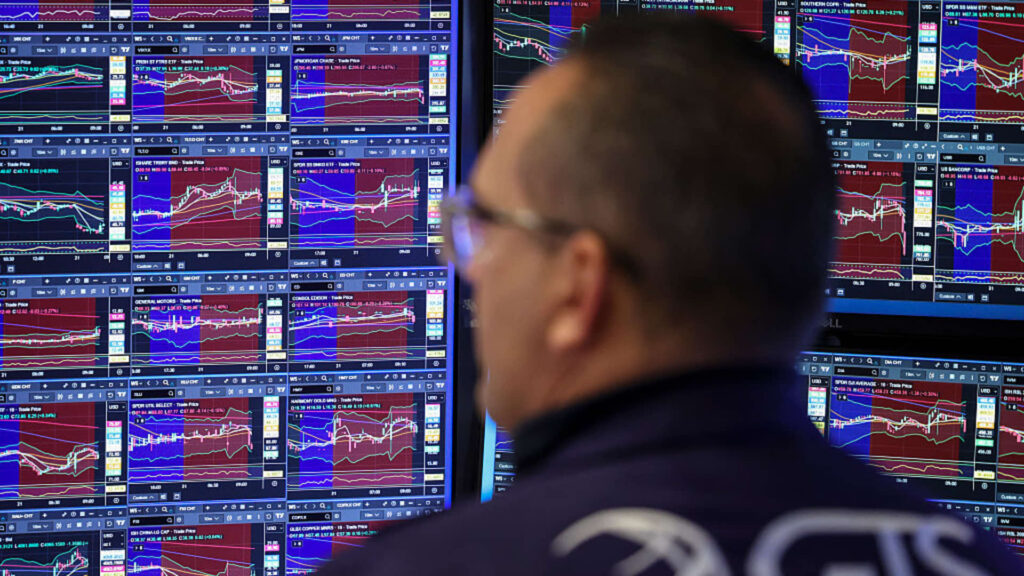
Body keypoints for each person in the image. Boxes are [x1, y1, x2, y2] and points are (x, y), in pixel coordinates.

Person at [314, 14, 1023, 575]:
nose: (469, 269)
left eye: (483, 228)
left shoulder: (428, 565)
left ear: (579, 284)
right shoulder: (980, 559)